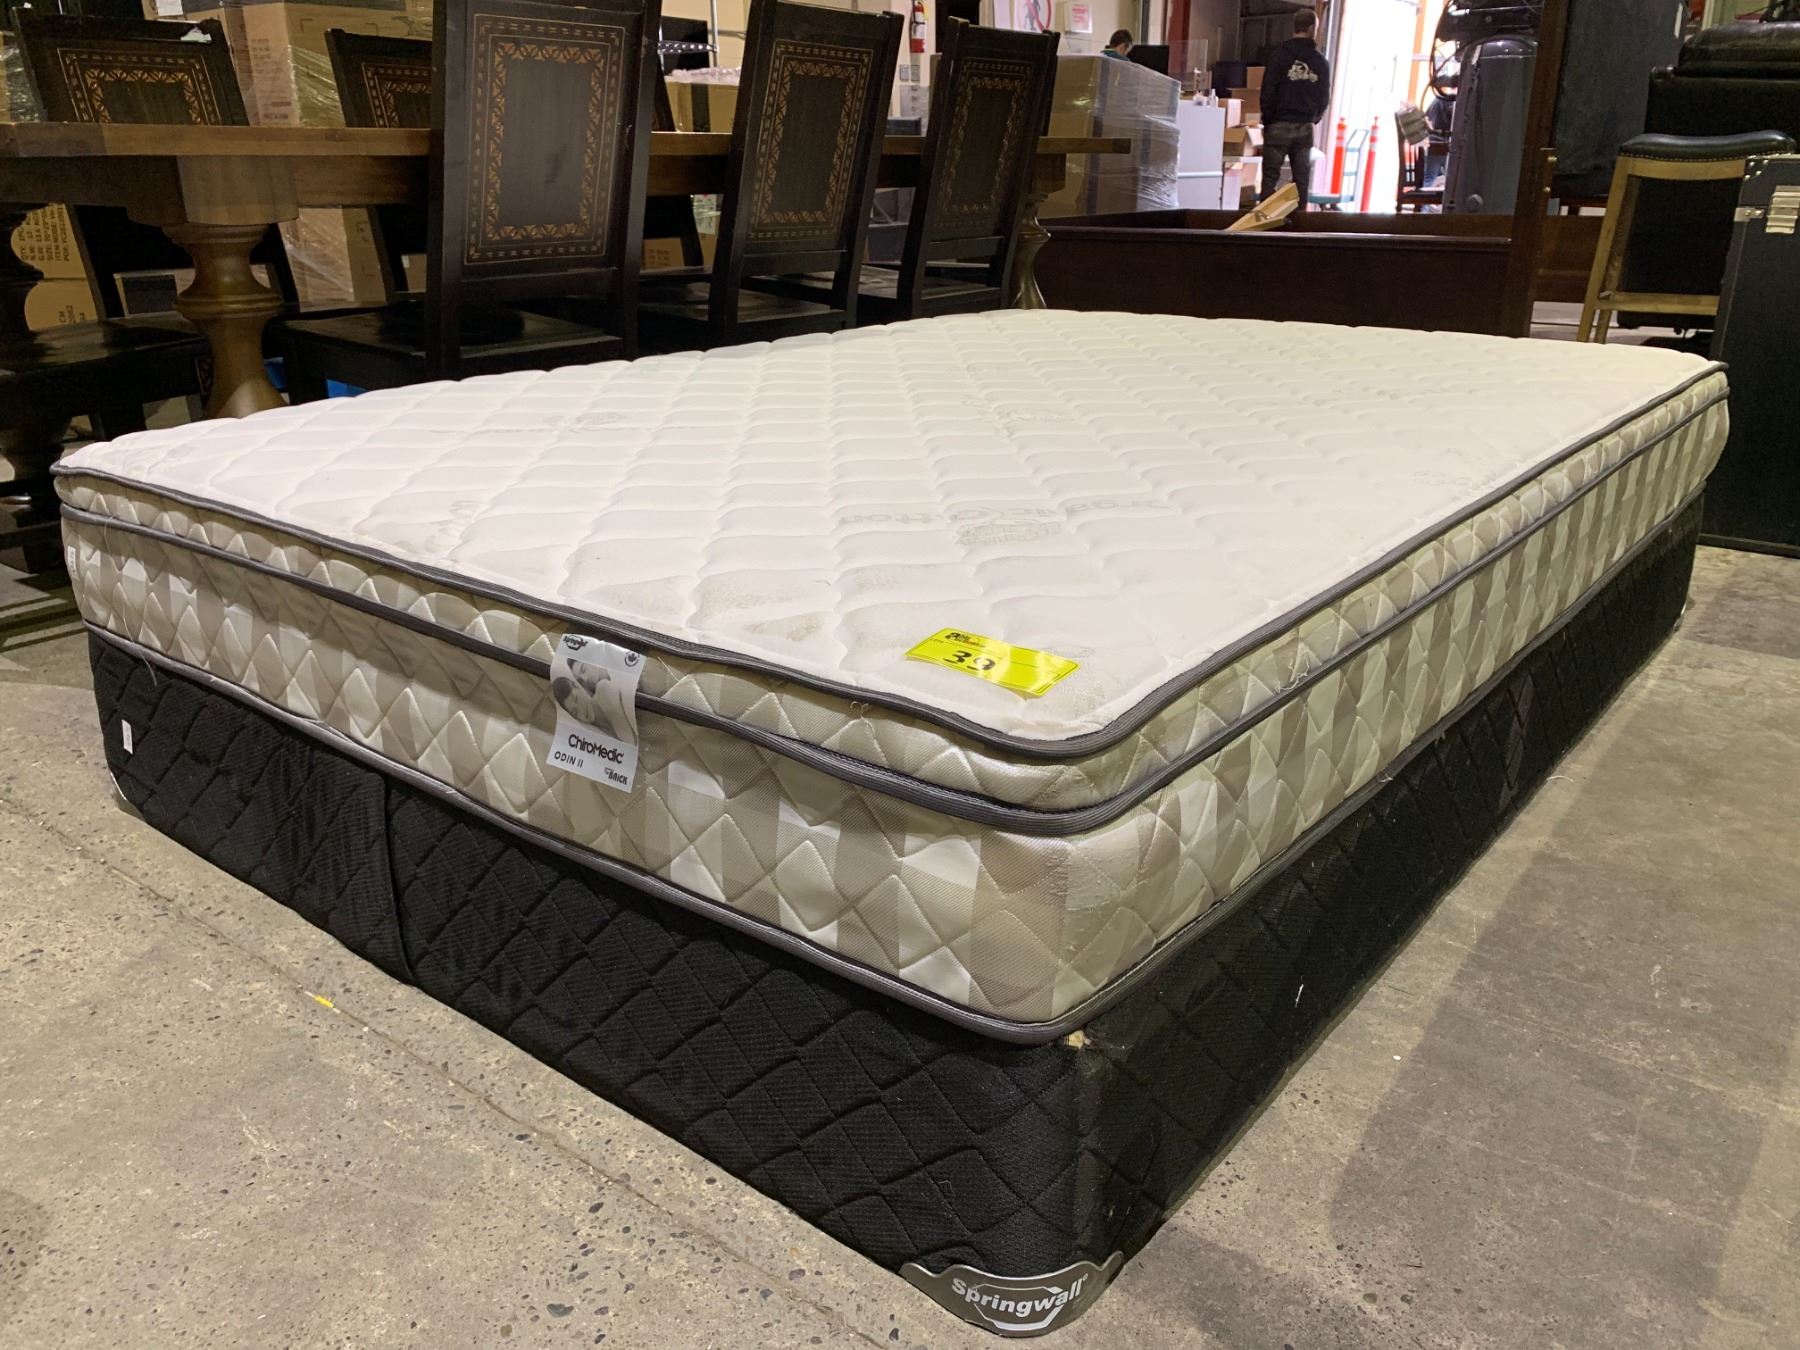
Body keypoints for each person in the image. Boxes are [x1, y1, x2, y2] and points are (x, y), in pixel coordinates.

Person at [1259, 11, 1331, 210]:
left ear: (1295, 27)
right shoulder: (1319, 62)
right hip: (1304, 127)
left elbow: (1267, 91)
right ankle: (1299, 223)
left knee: (1270, 179)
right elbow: (1324, 98)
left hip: (1278, 125)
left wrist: (1269, 121)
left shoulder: (1278, 56)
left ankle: (1263, 222)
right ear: (1312, 29)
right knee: (1301, 182)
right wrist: (1313, 118)